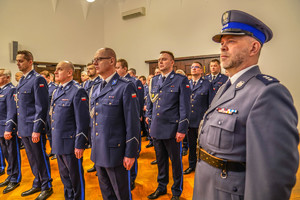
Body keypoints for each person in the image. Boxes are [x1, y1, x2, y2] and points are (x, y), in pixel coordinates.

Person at [193, 10, 299, 200]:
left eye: (231, 41)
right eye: (222, 43)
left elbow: (272, 179)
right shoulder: (226, 87)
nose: (223, 47)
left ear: (253, 48)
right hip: (208, 189)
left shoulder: (268, 93)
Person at [90, 48, 140, 200]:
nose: (95, 63)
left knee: (121, 194)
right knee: (107, 193)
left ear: (112, 61)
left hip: (115, 151)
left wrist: (130, 153)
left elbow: (132, 122)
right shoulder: (96, 87)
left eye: (99, 59)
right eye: (94, 60)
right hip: (99, 149)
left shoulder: (125, 86)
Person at [146, 51, 190, 200]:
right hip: (157, 127)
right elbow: (151, 102)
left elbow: (184, 106)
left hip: (172, 128)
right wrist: (150, 121)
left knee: (176, 162)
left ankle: (177, 191)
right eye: (159, 60)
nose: (160, 62)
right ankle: (161, 186)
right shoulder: (155, 80)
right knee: (161, 161)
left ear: (172, 62)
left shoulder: (180, 80)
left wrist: (182, 129)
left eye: (164, 59)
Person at [15, 50, 53, 200]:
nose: (18, 63)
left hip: (34, 128)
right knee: (31, 158)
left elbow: (41, 107)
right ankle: (38, 182)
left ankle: (47, 185)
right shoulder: (22, 80)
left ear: (30, 62)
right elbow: (21, 107)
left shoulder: (38, 79)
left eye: (21, 61)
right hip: (24, 127)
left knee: (40, 157)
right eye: (17, 61)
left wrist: (37, 129)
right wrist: (19, 127)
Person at [50, 61, 89, 200]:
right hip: (59, 142)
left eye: (59, 69)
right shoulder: (57, 90)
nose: (55, 72)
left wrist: (80, 144)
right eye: (56, 69)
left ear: (69, 72)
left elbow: (82, 121)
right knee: (65, 178)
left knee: (75, 179)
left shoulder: (77, 91)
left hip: (71, 144)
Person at [116, 59, 143, 190]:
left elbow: (138, 102)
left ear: (125, 69)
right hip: (120, 122)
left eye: (118, 67)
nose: (116, 70)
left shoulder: (134, 82)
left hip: (131, 119)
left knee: (132, 150)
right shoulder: (115, 83)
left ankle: (132, 178)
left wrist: (139, 117)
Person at [183, 62, 210, 175]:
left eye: (196, 67)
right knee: (191, 145)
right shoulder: (186, 83)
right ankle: (192, 165)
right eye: (192, 67)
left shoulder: (207, 84)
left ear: (201, 70)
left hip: (201, 120)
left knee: (204, 145)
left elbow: (211, 103)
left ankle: (204, 167)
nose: (193, 69)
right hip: (189, 120)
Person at [0, 69, 22, 194]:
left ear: (7, 77)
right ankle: (10, 175)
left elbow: (11, 111)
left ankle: (15, 178)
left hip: (7, 128)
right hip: (0, 128)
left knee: (13, 154)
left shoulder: (11, 90)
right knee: (6, 154)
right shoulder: (1, 90)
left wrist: (9, 128)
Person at [84, 63, 101, 173]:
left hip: (96, 117)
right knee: (92, 142)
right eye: (87, 69)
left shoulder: (100, 82)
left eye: (90, 69)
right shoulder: (86, 83)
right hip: (87, 117)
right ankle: (95, 163)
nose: (88, 71)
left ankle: (100, 165)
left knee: (98, 142)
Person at [40, 70, 58, 160]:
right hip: (44, 113)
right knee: (48, 133)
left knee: (53, 133)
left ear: (48, 78)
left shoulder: (54, 87)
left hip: (51, 113)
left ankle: (56, 151)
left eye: (43, 78)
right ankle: (52, 150)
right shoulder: (42, 87)